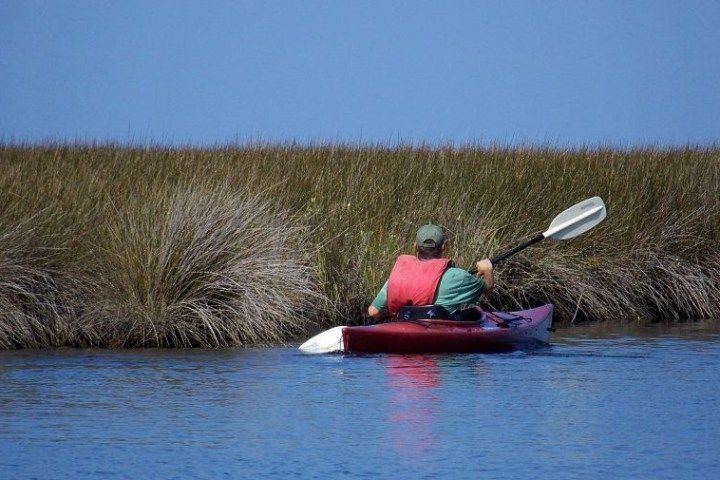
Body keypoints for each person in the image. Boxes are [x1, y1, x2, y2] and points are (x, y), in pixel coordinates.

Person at [367, 223, 494, 319]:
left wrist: (398, 313)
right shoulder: (459, 276)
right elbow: (487, 288)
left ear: (415, 246)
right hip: (442, 338)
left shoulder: (398, 276)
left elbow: (373, 311)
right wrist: (487, 270)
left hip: (406, 330)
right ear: (443, 247)